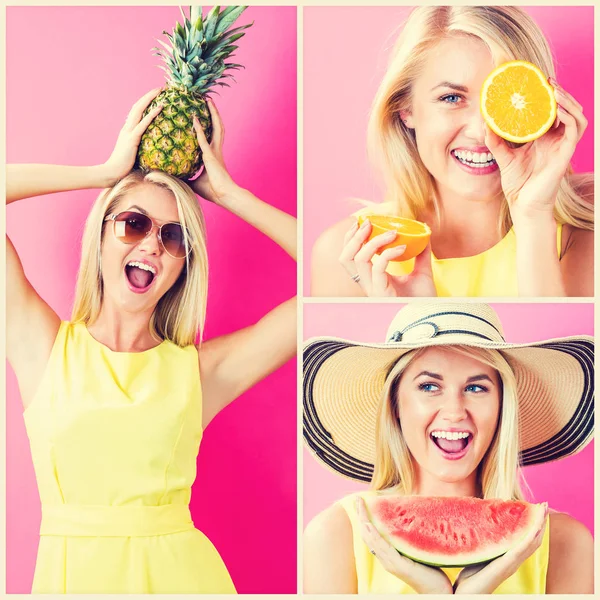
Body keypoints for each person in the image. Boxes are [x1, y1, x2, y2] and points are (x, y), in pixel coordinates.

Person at [7, 89, 297, 594]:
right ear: (99, 235)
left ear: (183, 265)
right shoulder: (43, 349)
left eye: (174, 236)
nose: (151, 246)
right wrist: (102, 173)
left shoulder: (200, 372)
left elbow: (342, 280)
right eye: (133, 223)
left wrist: (229, 195)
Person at [303, 303, 594, 593]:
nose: (455, 412)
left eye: (476, 388)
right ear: (395, 405)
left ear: (502, 407)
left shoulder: (565, 543)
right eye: (429, 386)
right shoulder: (336, 535)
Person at [311, 6, 593, 297]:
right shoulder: (351, 256)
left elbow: (555, 343)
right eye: (452, 97)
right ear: (406, 109)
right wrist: (414, 323)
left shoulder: (588, 220)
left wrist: (534, 217)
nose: (483, 130)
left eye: (505, 100)